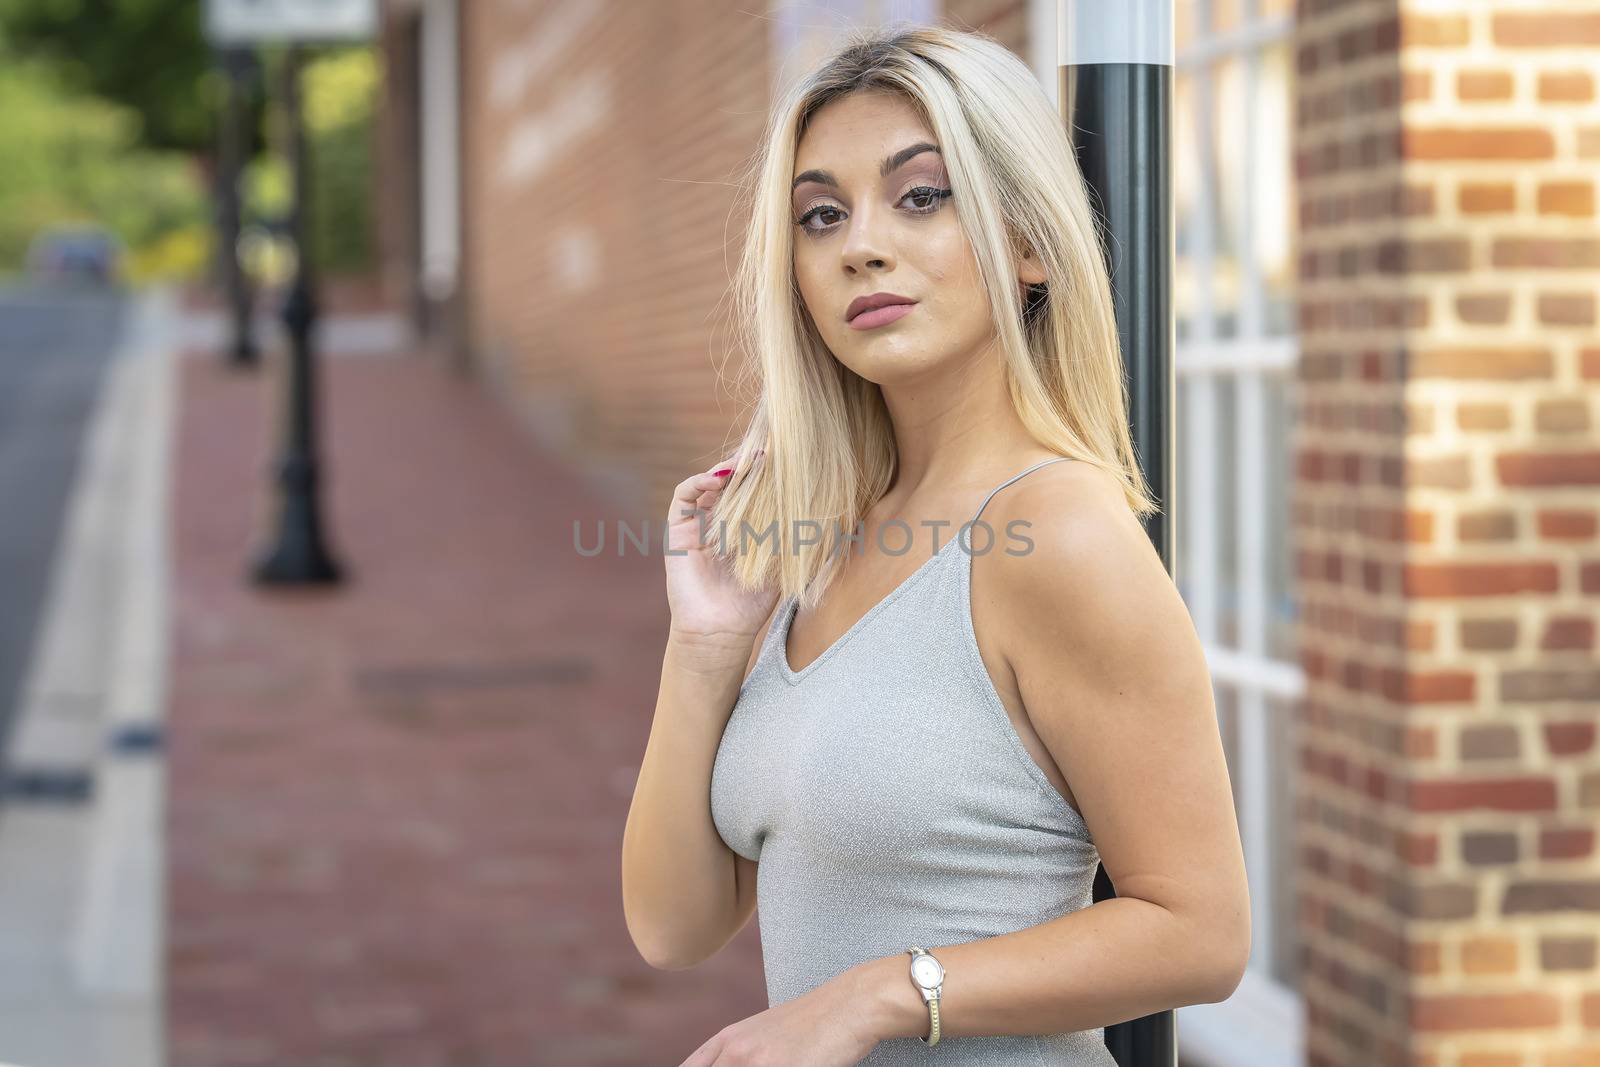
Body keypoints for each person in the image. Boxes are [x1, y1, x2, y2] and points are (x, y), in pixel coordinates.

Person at [621, 22, 1249, 1066]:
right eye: (820, 214)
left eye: (920, 195)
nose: (859, 242)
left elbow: (1201, 930)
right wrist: (704, 645)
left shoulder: (1055, 532)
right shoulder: (821, 537)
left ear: (1028, 241)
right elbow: (673, 926)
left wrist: (874, 994)